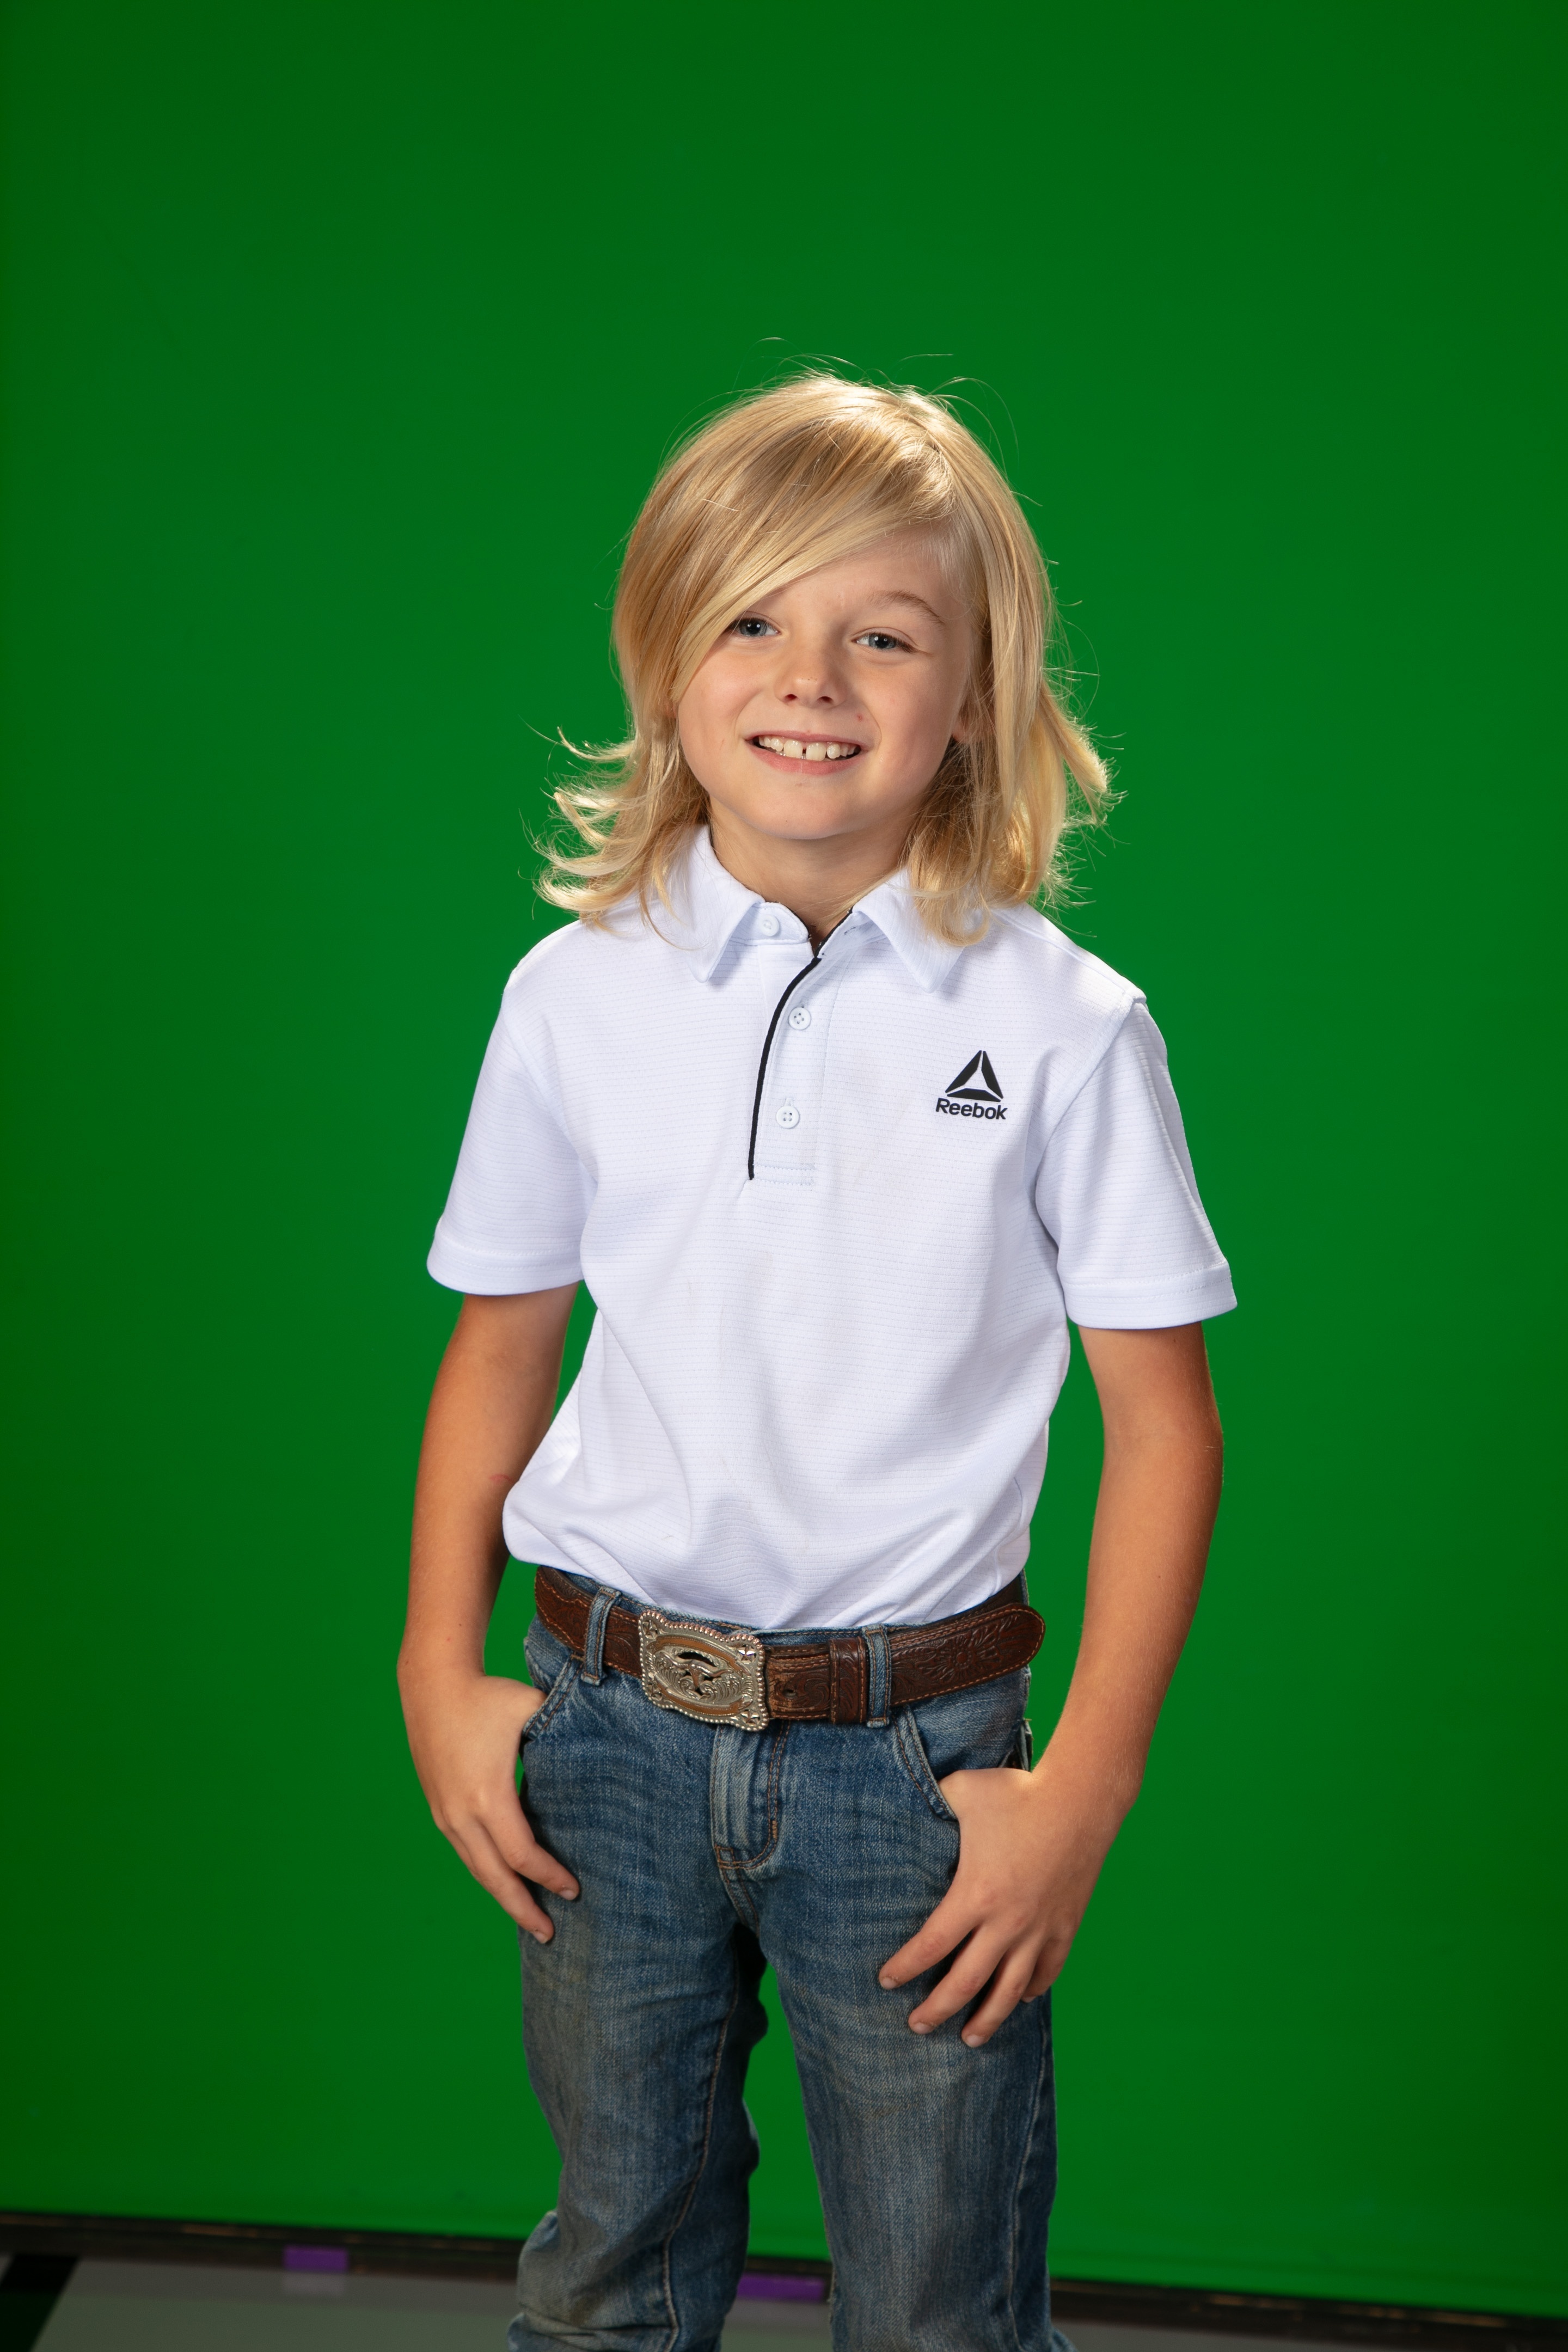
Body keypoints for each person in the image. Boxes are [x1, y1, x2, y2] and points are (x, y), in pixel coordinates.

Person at [399, 375, 1234, 2352]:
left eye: (886, 636)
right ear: (666, 661)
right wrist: (440, 1669)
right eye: (755, 619)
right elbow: (503, 1342)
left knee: (939, 2304)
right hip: (605, 1730)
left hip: (918, 1766)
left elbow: (1165, 1431)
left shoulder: (1065, 1026)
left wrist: (1082, 1788)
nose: (812, 680)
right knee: (607, 2274)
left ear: (978, 696)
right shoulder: (574, 993)